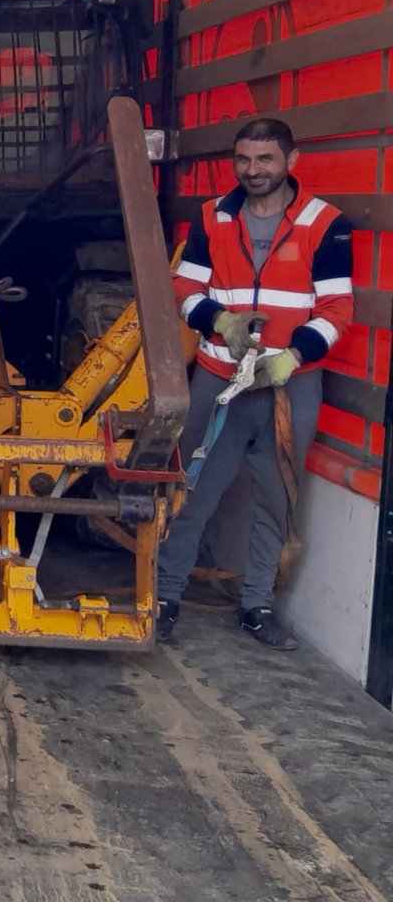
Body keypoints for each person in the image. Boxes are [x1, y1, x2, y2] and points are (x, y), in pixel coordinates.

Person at [160, 118, 353, 649]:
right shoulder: (213, 216)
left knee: (277, 499)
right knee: (191, 490)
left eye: (265, 159)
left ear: (292, 160)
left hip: (290, 387)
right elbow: (185, 286)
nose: (253, 170)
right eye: (243, 160)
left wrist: (293, 356)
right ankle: (163, 596)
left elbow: (338, 308)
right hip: (222, 379)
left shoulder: (325, 223)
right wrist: (219, 323)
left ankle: (257, 606)